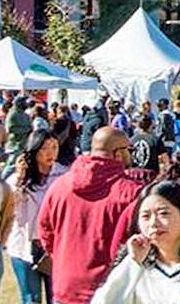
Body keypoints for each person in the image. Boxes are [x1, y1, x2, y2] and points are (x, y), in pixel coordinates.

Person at [38, 127, 143, 304]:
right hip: (112, 291)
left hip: (66, 288)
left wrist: (64, 258)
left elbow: (46, 232)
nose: (131, 156)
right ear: (118, 153)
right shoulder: (131, 193)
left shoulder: (59, 186)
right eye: (129, 150)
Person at [5, 129, 64, 304]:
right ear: (34, 149)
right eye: (45, 148)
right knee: (31, 299)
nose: (51, 153)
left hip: (54, 247)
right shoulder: (17, 179)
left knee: (57, 297)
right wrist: (20, 179)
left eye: (54, 147)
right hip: (24, 246)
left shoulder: (64, 176)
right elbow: (8, 208)